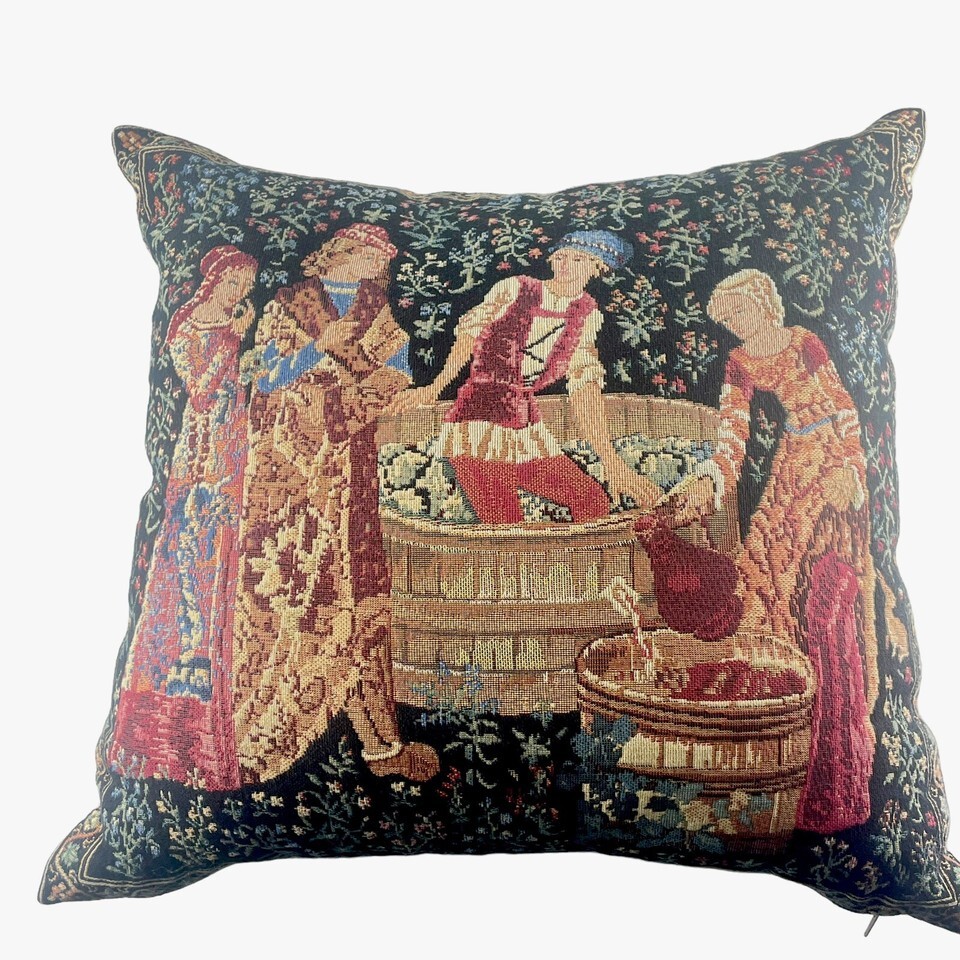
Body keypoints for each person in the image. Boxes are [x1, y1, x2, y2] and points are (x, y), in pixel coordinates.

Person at [669, 267, 908, 833]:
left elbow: (844, 408)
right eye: (728, 320)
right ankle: (781, 743)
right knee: (765, 582)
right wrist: (712, 478)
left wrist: (851, 469)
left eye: (740, 312)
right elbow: (733, 434)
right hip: (793, 466)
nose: (736, 325)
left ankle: (838, 753)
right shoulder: (739, 363)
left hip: (833, 470)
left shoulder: (804, 343)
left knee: (827, 600)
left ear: (763, 302)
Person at [231, 223, 440, 785]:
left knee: (363, 602)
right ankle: (257, 730)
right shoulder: (290, 305)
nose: (374, 267)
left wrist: (349, 400)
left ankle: (381, 744)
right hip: (287, 482)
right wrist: (321, 354)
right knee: (283, 596)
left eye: (379, 260)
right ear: (338, 254)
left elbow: (397, 374)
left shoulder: (378, 314)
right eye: (367, 256)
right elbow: (265, 380)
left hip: (349, 477)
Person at [109, 245, 259, 791]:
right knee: (192, 557)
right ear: (217, 282)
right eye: (235, 284)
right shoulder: (190, 326)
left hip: (231, 454)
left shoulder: (229, 323)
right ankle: (187, 662)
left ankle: (213, 665)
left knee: (221, 561)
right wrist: (236, 342)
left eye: (245, 287)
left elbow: (236, 386)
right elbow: (201, 390)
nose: (239, 294)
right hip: (201, 460)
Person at [385, 231, 661, 523]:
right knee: (505, 521)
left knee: (591, 501)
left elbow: (584, 387)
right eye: (561, 257)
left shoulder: (587, 313)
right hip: (478, 423)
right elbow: (468, 336)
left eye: (579, 260)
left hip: (526, 429)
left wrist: (613, 463)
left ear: (598, 268)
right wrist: (433, 389)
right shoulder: (515, 288)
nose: (566, 265)